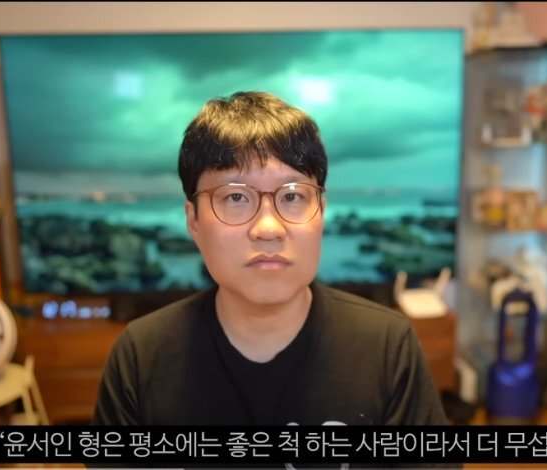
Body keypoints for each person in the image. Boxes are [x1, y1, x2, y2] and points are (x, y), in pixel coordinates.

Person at [93, 90, 451, 441]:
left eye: (292, 195)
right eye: (236, 196)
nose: (268, 228)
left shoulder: (387, 347)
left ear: (322, 213)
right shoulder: (140, 357)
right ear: (194, 220)